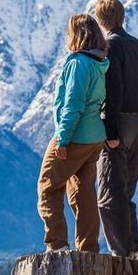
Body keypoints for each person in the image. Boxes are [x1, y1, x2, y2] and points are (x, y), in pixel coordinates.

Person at [37, 14, 110, 253]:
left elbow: (73, 103)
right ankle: (88, 247)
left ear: (77, 34)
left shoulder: (78, 63)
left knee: (48, 186)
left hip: (75, 137)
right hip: (94, 137)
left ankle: (57, 245)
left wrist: (63, 139)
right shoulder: (100, 63)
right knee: (83, 192)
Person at [93, 0, 138, 262]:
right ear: (123, 17)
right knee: (126, 192)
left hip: (119, 122)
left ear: (100, 20)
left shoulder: (109, 46)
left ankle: (121, 255)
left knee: (108, 193)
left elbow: (113, 88)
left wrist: (110, 130)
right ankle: (135, 249)